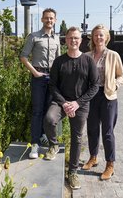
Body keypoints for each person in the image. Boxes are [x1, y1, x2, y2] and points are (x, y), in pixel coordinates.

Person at [43, 27, 99, 189]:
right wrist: (64, 103)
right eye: (70, 38)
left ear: (81, 41)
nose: (73, 41)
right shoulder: (59, 61)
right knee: (49, 119)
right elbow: (52, 86)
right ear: (65, 40)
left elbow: (94, 86)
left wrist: (77, 103)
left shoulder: (88, 61)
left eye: (76, 38)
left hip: (80, 104)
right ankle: (53, 144)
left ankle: (72, 173)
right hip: (61, 102)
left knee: (77, 137)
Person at [82, 24, 123, 180]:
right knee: (92, 129)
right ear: (92, 38)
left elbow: (121, 75)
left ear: (106, 37)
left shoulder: (113, 55)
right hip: (91, 96)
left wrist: (115, 84)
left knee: (107, 132)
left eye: (101, 35)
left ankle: (110, 165)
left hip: (108, 96)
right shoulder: (86, 56)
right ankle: (93, 157)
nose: (98, 38)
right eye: (96, 35)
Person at [20, 8, 61, 159]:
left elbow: (58, 60)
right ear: (42, 19)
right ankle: (35, 144)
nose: (49, 20)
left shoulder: (57, 39)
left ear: (55, 20)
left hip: (53, 77)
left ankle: (44, 135)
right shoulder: (34, 37)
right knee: (37, 111)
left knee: (48, 110)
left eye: (52, 18)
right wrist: (34, 72)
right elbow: (23, 56)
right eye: (46, 18)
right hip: (38, 76)